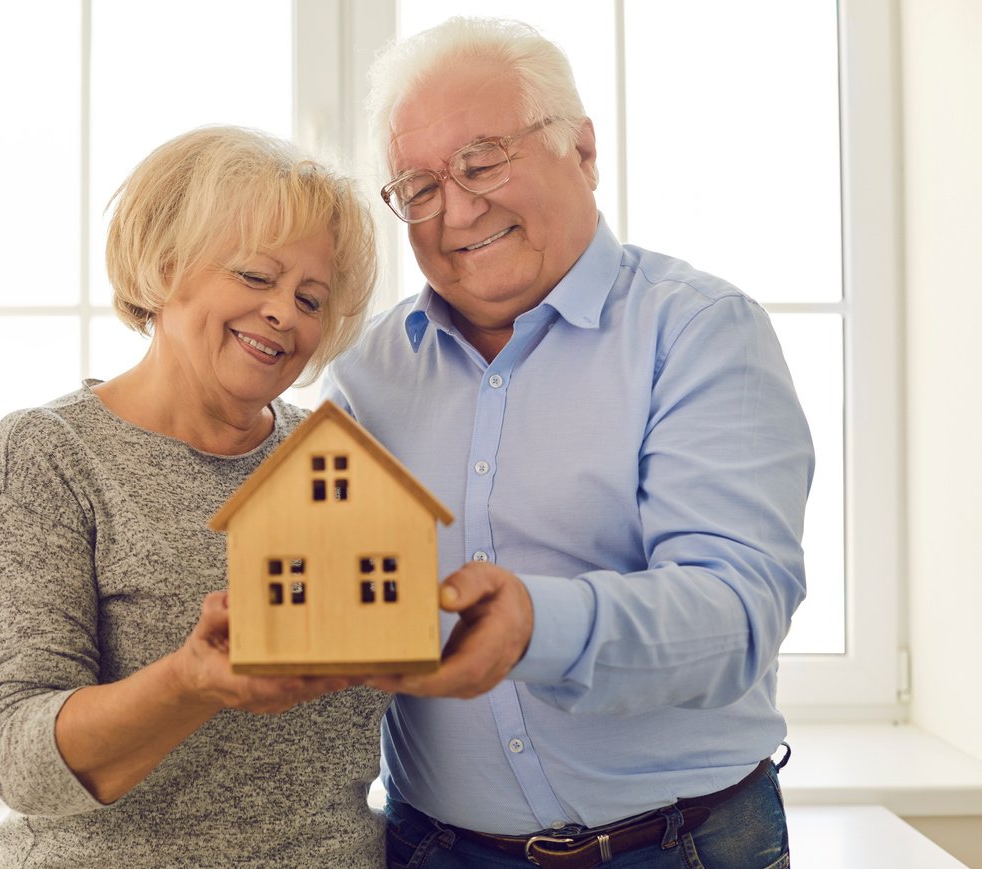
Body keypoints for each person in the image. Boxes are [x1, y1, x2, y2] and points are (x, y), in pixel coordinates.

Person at [324, 17, 814, 868]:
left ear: (581, 151)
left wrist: (534, 626)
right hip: (433, 846)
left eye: (482, 162)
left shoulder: (698, 332)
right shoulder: (364, 375)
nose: (458, 209)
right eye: (419, 186)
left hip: (680, 846)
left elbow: (737, 612)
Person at [0, 126, 386, 867]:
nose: (286, 313)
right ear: (164, 265)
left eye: (311, 297)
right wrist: (189, 681)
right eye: (254, 276)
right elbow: (19, 758)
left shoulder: (335, 460)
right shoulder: (49, 457)